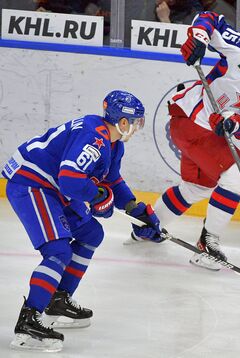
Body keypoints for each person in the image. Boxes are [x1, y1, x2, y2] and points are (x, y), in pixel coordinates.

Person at [126, 11, 240, 271]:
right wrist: (199, 38)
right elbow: (210, 17)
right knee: (239, 176)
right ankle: (208, 244)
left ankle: (148, 227)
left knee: (198, 187)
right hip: (190, 119)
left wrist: (235, 123)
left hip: (201, 132)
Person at [2, 90, 163, 352]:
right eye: (135, 122)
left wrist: (136, 209)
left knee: (91, 234)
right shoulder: (94, 138)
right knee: (58, 251)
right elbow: (70, 179)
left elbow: (112, 181)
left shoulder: (112, 143)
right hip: (32, 183)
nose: (136, 127)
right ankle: (28, 322)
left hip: (53, 186)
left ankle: (58, 299)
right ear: (122, 122)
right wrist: (98, 195)